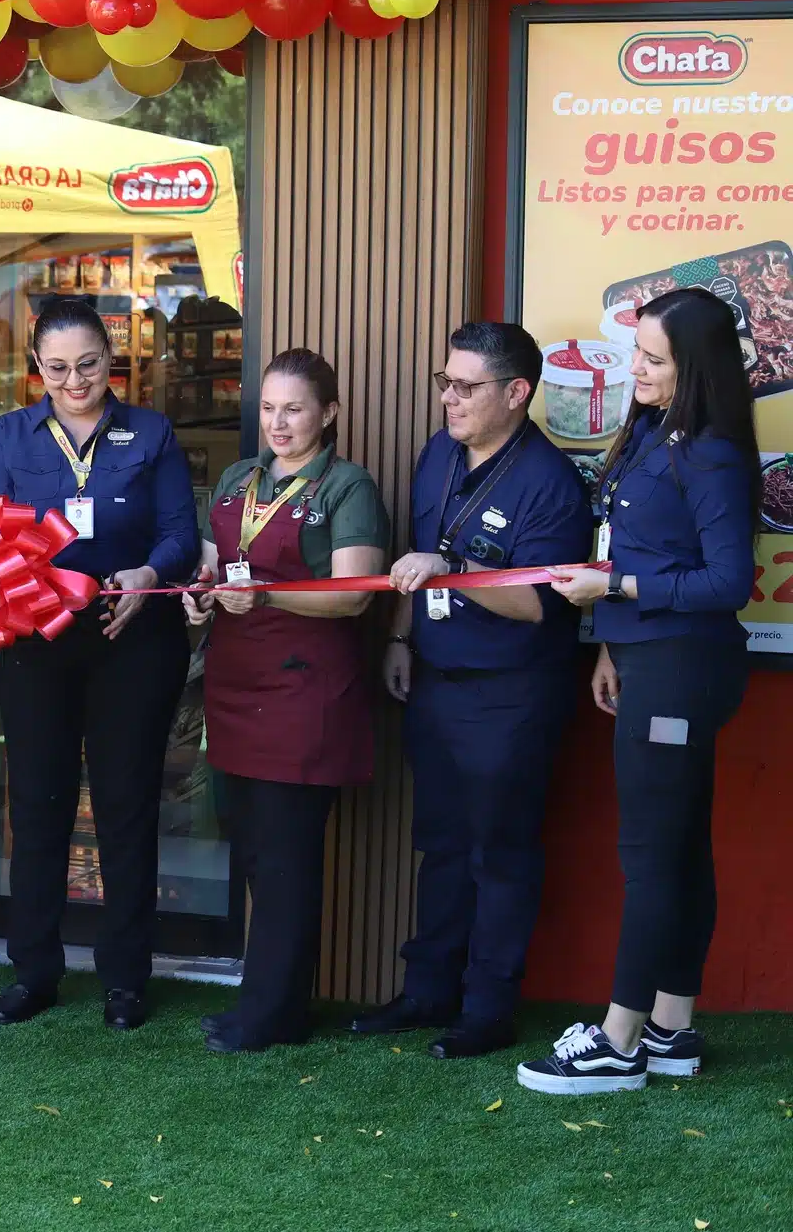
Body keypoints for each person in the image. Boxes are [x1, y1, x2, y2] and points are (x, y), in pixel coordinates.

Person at [521, 287, 757, 1094]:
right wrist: (610, 642)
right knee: (679, 850)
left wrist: (615, 585)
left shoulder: (714, 452)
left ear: (697, 367)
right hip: (649, 658)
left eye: (655, 359)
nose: (639, 370)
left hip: (685, 670)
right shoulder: (657, 432)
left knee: (651, 857)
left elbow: (727, 581)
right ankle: (671, 1026)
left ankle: (620, 1038)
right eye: (638, 354)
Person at [350, 323, 593, 1059]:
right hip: (434, 678)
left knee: (501, 852)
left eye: (465, 386)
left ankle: (487, 1009)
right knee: (442, 844)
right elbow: (409, 563)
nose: (449, 398)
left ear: (516, 393)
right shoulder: (438, 452)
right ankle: (429, 991)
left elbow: (540, 602)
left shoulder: (549, 483)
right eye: (444, 382)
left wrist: (449, 568)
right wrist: (398, 635)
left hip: (510, 695)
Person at [0, 297, 198, 1031]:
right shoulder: (8, 436)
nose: (75, 381)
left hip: (132, 640)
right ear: (36, 367)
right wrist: (27, 587)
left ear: (112, 357)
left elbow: (178, 534)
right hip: (35, 646)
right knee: (39, 806)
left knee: (127, 807)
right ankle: (34, 969)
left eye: (90, 364)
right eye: (59, 367)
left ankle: (125, 977)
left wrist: (146, 574)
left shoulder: (151, 431)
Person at [184, 347, 391, 1054]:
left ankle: (269, 1015)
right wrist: (198, 592)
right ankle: (275, 1004)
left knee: (284, 862)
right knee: (251, 852)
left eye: (295, 408)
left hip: (305, 691)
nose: (278, 421)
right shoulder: (240, 477)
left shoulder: (347, 487)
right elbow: (212, 560)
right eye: (269, 407)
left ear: (328, 413)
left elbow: (356, 595)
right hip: (235, 684)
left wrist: (266, 593)